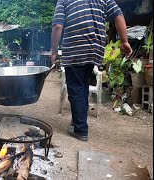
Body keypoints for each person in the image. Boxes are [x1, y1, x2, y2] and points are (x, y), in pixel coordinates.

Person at [51, 0, 132, 141]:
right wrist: (124, 41)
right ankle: (78, 121)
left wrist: (53, 52)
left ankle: (80, 130)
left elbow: (58, 26)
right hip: (95, 50)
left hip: (75, 48)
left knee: (76, 88)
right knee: (83, 86)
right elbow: (118, 14)